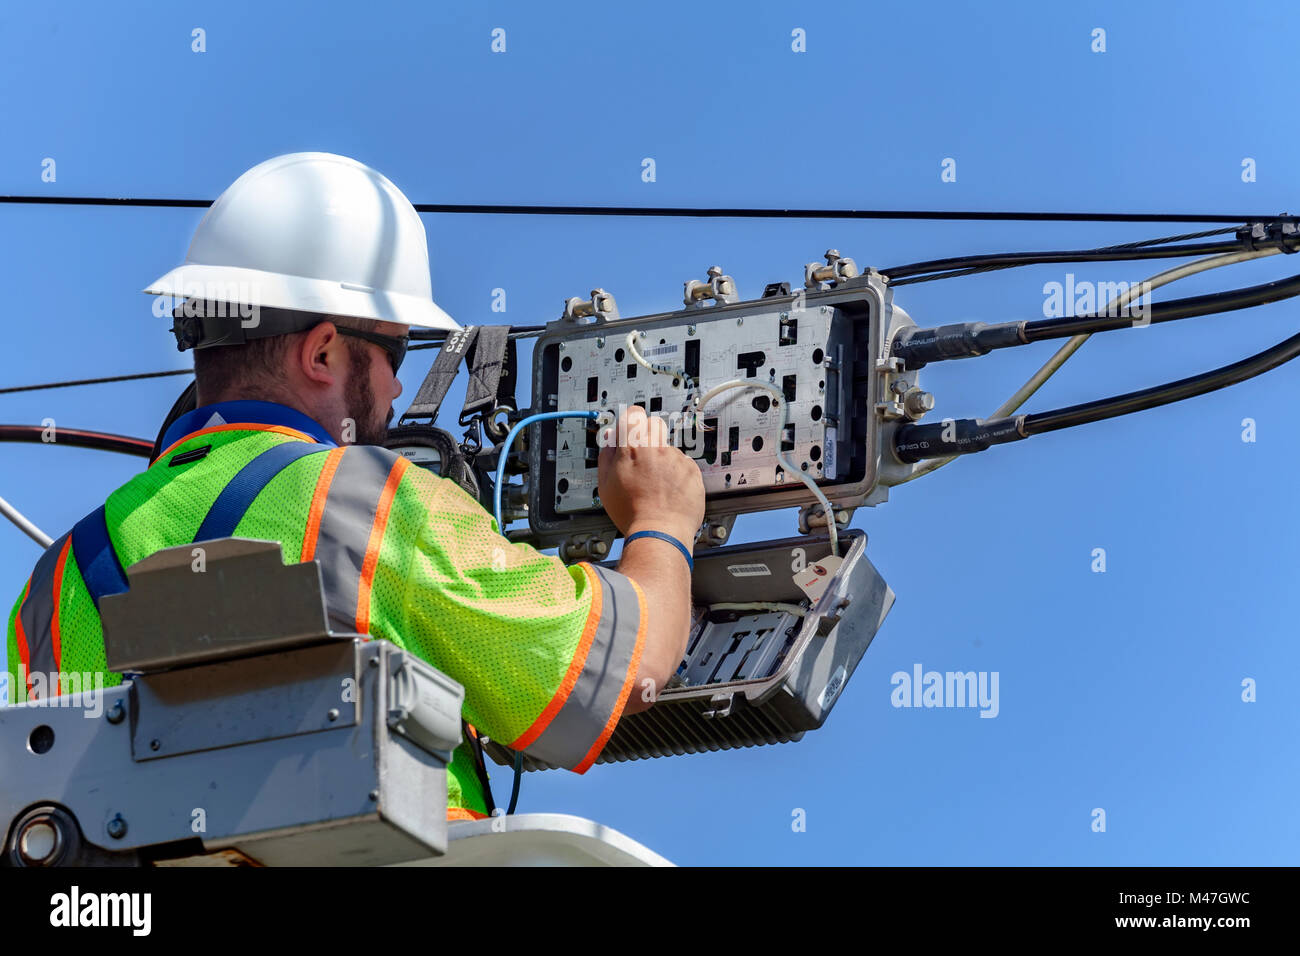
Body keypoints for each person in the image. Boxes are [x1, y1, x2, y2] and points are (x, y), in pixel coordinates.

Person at [3, 152, 705, 822]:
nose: (400, 386)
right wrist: (661, 520)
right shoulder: (371, 502)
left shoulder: (53, 582)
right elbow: (628, 665)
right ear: (322, 352)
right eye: (395, 352)